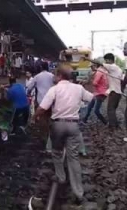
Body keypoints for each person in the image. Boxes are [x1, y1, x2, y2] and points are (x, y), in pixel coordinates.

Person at [34, 64, 93, 207]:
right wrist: (87, 85)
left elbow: (43, 107)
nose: (54, 77)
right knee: (73, 159)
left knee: (56, 152)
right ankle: (78, 193)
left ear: (60, 76)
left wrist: (35, 116)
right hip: (73, 125)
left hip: (58, 125)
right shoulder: (78, 88)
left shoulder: (54, 89)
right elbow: (91, 98)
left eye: (55, 74)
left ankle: (60, 177)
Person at [85, 53, 123, 131]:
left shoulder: (112, 67)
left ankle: (112, 126)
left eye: (106, 60)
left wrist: (86, 58)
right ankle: (115, 125)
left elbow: (99, 63)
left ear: (109, 60)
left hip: (113, 91)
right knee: (112, 109)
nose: (105, 62)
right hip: (117, 92)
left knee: (110, 109)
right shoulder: (118, 68)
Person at [27, 61, 54, 149]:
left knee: (42, 120)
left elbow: (29, 88)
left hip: (41, 101)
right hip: (52, 101)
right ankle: (52, 136)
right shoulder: (52, 76)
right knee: (51, 118)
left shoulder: (37, 77)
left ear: (40, 68)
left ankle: (45, 138)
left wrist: (28, 93)